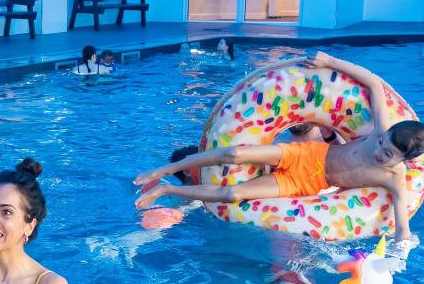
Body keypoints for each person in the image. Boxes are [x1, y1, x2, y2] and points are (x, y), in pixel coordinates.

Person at [135, 52, 424, 242]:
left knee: (233, 193)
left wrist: (401, 249)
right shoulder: (380, 132)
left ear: (404, 160)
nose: (379, 149)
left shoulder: (396, 181)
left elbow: (402, 227)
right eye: (382, 142)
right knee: (234, 153)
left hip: (305, 183)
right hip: (307, 154)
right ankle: (166, 170)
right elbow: (374, 84)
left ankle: (167, 189)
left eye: (386, 153)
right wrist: (330, 63)